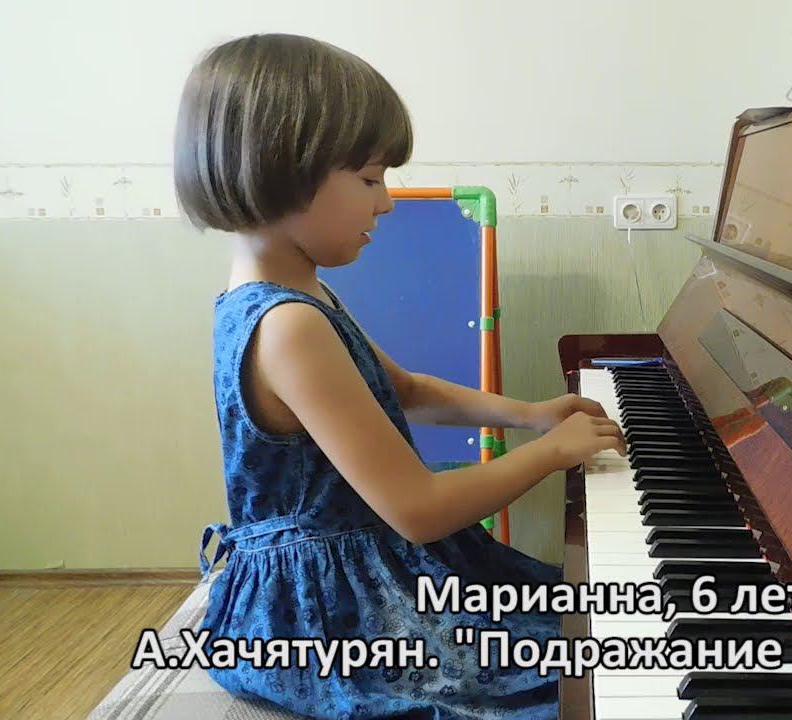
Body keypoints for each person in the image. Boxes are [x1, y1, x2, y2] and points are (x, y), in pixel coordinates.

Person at [175, 32, 625, 719]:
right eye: (369, 179)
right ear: (279, 170)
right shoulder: (288, 326)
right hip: (327, 613)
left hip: (368, 563)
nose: (386, 203)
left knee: (578, 628)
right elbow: (417, 509)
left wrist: (529, 414)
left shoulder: (299, 296)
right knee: (563, 679)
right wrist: (550, 453)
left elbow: (406, 390)